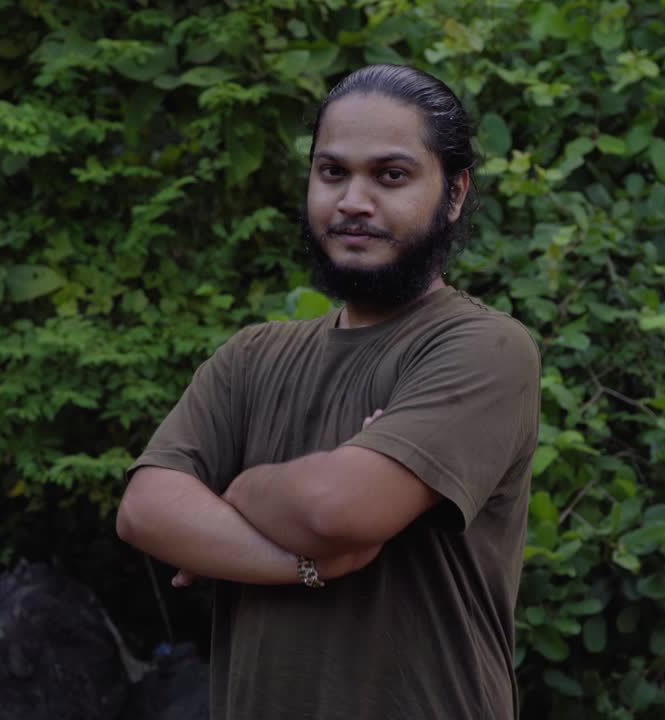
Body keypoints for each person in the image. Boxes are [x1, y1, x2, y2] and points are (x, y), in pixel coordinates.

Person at [117, 64, 541, 719]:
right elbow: (144, 510)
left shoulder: (484, 348)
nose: (353, 202)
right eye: (333, 172)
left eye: (391, 175)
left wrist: (235, 494)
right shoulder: (251, 356)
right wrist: (308, 564)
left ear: (454, 193)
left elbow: (338, 511)